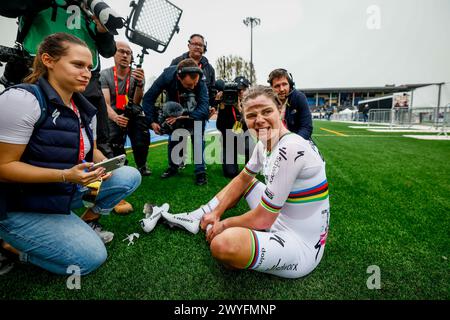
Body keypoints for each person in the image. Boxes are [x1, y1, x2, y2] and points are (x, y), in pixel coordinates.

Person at [0, 33, 141, 275]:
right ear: (48, 60)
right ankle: (11, 245)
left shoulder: (84, 108)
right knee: (91, 258)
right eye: (77, 65)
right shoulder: (23, 99)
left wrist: (103, 166)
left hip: (59, 191)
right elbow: (3, 167)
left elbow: (92, 150)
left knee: (128, 175)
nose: (86, 72)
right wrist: (65, 175)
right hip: (18, 203)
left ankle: (85, 222)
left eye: (89, 66)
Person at [159, 86, 330, 279]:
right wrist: (216, 212)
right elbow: (242, 179)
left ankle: (224, 231)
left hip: (300, 247)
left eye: (267, 111)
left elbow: (264, 218)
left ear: (280, 110)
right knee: (245, 181)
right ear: (244, 118)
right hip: (282, 218)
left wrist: (223, 224)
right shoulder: (265, 143)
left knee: (222, 245)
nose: (259, 120)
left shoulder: (290, 148)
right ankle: (201, 214)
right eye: (251, 115)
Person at [0, 0, 116, 159]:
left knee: (98, 144)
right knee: (34, 139)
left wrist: (103, 31)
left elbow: (109, 50)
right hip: (36, 70)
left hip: (86, 85)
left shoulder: (90, 6)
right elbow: (9, 6)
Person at [142, 58, 210, 185]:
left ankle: (200, 172)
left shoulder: (200, 80)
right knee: (174, 138)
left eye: (195, 84)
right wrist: (152, 122)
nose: (193, 87)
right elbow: (148, 98)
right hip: (174, 110)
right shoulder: (167, 76)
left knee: (198, 138)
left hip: (192, 112)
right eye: (189, 85)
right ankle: (173, 167)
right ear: (179, 77)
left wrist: (184, 116)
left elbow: (204, 108)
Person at [100, 40, 151, 176]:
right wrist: (116, 118)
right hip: (114, 114)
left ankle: (142, 164)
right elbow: (105, 102)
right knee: (112, 143)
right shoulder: (104, 75)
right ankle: (120, 165)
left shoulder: (137, 74)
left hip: (133, 113)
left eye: (128, 53)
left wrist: (140, 85)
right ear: (113, 54)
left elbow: (136, 101)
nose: (124, 55)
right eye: (121, 51)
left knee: (142, 139)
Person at [170, 34, 217, 168]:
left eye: (200, 45)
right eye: (194, 43)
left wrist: (212, 105)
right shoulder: (176, 61)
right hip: (180, 107)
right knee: (178, 135)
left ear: (204, 48)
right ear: (188, 45)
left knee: (198, 137)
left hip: (199, 108)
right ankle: (178, 162)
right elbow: (170, 85)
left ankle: (199, 165)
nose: (197, 47)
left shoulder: (209, 67)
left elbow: (212, 89)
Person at [215, 76, 253, 178]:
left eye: (243, 89)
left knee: (250, 145)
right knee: (230, 173)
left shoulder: (250, 103)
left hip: (244, 138)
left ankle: (250, 168)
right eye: (238, 90)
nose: (241, 92)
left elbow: (249, 128)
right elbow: (220, 127)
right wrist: (222, 108)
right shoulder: (227, 103)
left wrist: (240, 110)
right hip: (229, 141)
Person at [268, 68, 313, 140]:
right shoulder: (268, 101)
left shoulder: (299, 97)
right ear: (271, 88)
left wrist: (292, 143)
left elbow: (306, 128)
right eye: (277, 86)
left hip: (297, 141)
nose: (281, 89)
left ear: (290, 85)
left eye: (284, 84)